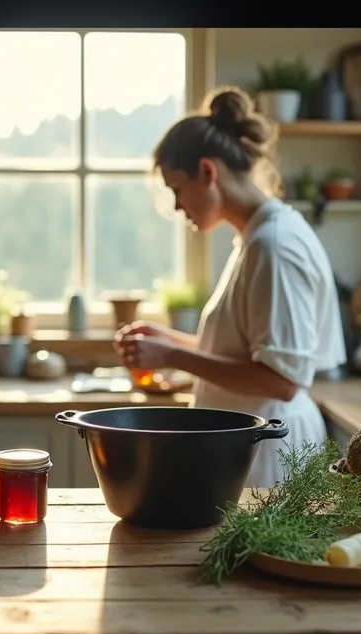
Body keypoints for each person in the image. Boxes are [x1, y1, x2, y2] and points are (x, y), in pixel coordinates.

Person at [114, 86, 348, 489]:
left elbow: (282, 380)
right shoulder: (256, 239)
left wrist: (170, 355)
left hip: (272, 455)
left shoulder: (274, 247)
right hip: (251, 447)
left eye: (176, 189)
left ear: (207, 172)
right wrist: (169, 342)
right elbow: (244, 351)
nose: (176, 206)